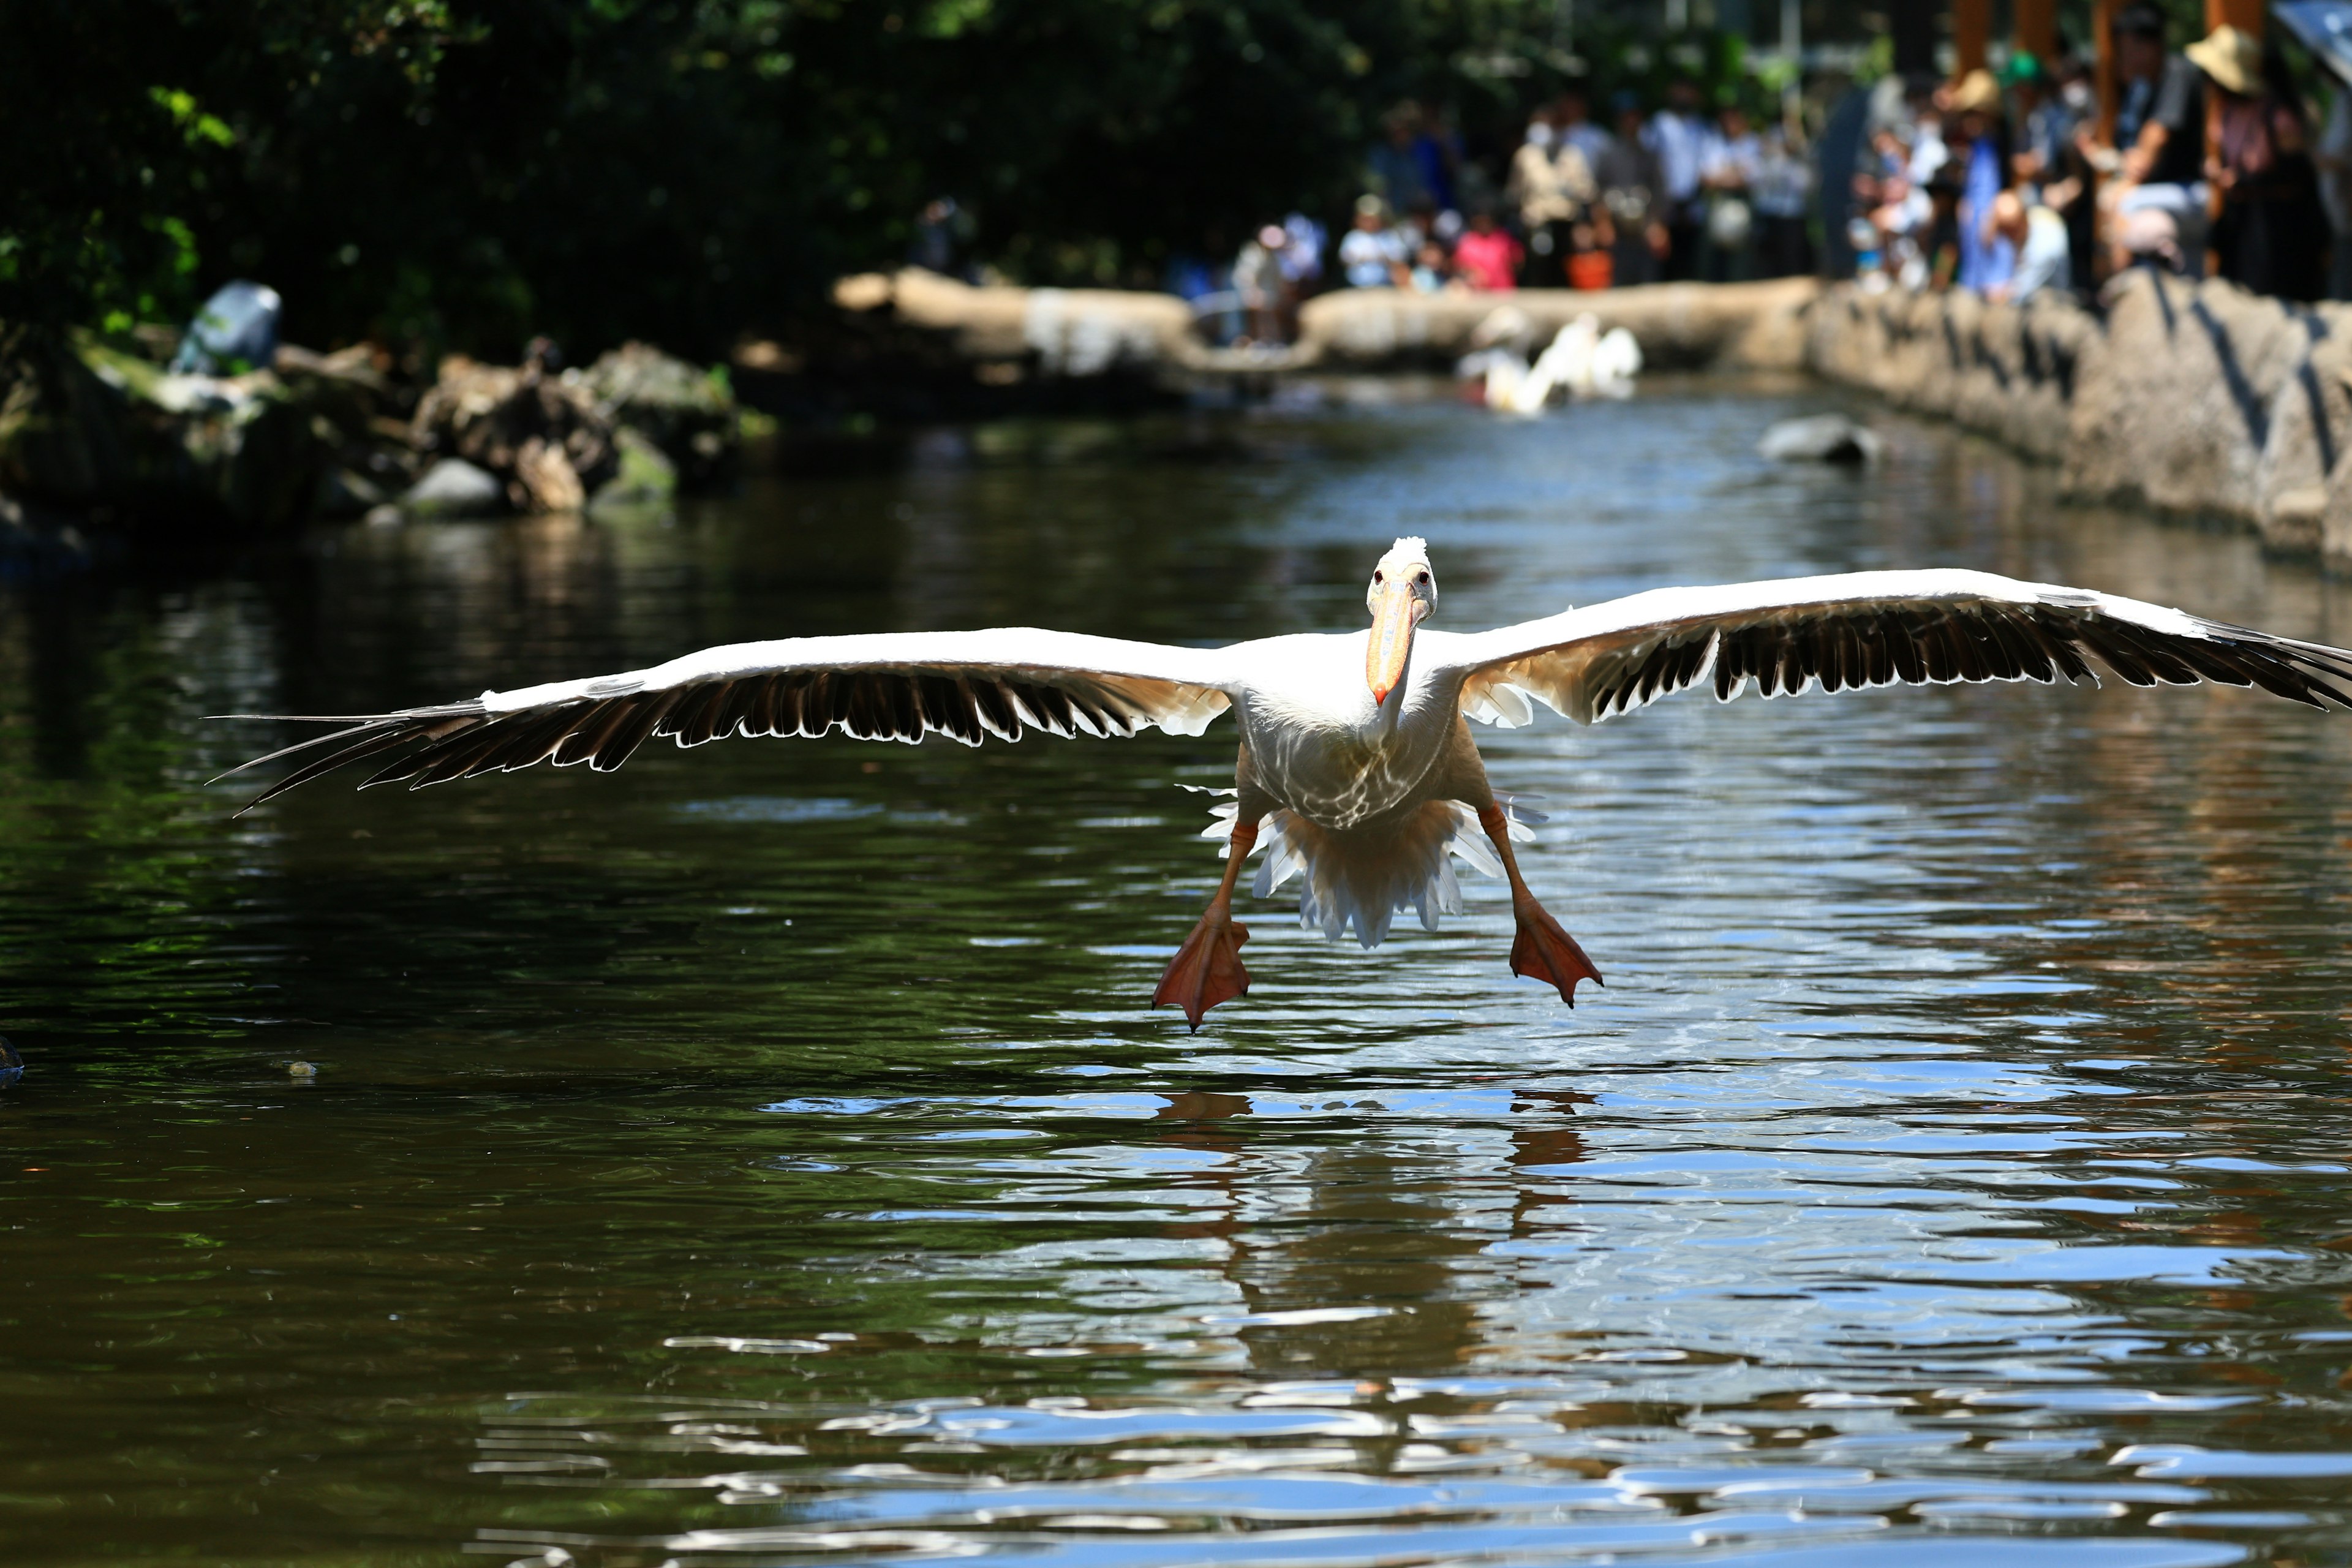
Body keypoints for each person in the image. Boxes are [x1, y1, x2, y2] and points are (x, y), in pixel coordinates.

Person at [2190, 24, 2327, 300]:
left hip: (2277, 232)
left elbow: (2298, 177)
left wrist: (2246, 180)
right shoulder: (2225, 112)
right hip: (2241, 224)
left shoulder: (2278, 118)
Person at [2094, 4, 2208, 262]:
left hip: (2194, 189)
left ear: (2150, 45)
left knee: (2124, 202)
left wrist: (2129, 180)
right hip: (2166, 194)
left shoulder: (2177, 71)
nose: (2122, 57)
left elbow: (2157, 134)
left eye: (2126, 49)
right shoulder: (2143, 88)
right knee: (2134, 216)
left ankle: (2119, 287)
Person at [1506, 114, 1598, 288]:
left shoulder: (1573, 156)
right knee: (1539, 261)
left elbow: (1587, 192)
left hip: (1567, 222)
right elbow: (1514, 193)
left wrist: (1585, 226)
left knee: (1565, 268)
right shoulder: (1526, 156)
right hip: (1537, 223)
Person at [1948, 70, 2014, 295]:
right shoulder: (1976, 145)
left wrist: (1993, 217)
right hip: (1974, 223)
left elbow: (2006, 187)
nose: (1969, 120)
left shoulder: (2003, 145)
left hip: (1997, 226)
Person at [1598, 92, 1670, 288]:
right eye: (1626, 117)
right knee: (1616, 284)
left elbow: (1660, 192)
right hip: (1617, 233)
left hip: (1644, 231)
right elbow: (1598, 191)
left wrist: (1658, 225)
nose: (1631, 121)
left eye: (1635, 116)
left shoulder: (1649, 155)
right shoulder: (1607, 154)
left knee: (1647, 284)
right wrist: (1602, 223)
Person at [1645, 80, 1712, 279]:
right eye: (1680, 91)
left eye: (1689, 92)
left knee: (1691, 259)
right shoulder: (1659, 123)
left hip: (1693, 202)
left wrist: (1694, 195)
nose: (1684, 96)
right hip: (1665, 202)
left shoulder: (1701, 125)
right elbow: (1650, 162)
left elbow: (1706, 164)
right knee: (1664, 260)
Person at [1700, 102, 1761, 282]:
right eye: (1727, 118)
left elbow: (1752, 179)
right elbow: (1706, 178)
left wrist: (1724, 175)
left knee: (1741, 260)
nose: (1731, 123)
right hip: (1717, 203)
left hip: (1742, 203)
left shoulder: (1752, 143)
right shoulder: (1713, 142)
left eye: (1735, 118)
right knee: (1710, 258)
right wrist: (1735, 174)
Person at [1752, 122, 1814, 277]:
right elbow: (1757, 181)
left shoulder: (1800, 163)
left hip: (1792, 215)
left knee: (1792, 257)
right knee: (1769, 257)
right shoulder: (1765, 161)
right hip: (1769, 213)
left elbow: (1805, 185)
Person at [1986, 190, 2071, 303]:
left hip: (2054, 302)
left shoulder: (2045, 245)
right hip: (2030, 296)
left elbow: (2021, 292)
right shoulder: (2031, 217)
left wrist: (2001, 294)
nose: (2004, 235)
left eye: (2005, 230)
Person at [1452, 208, 1523, 291]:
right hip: (1478, 294)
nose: (1484, 224)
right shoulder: (1467, 241)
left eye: (1486, 221)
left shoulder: (1504, 238)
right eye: (1480, 221)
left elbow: (1517, 261)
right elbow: (1458, 266)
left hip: (1504, 292)